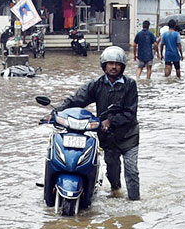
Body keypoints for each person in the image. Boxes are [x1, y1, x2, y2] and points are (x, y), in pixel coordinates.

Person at [55, 46, 140, 201]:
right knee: (112, 170)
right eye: (110, 63)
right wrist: (57, 112)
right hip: (108, 137)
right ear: (104, 65)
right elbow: (77, 99)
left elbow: (130, 112)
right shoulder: (96, 84)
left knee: (131, 170)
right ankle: (116, 193)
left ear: (122, 66)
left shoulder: (130, 85)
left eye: (117, 64)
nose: (113, 67)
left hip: (129, 136)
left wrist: (110, 121)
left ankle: (135, 204)